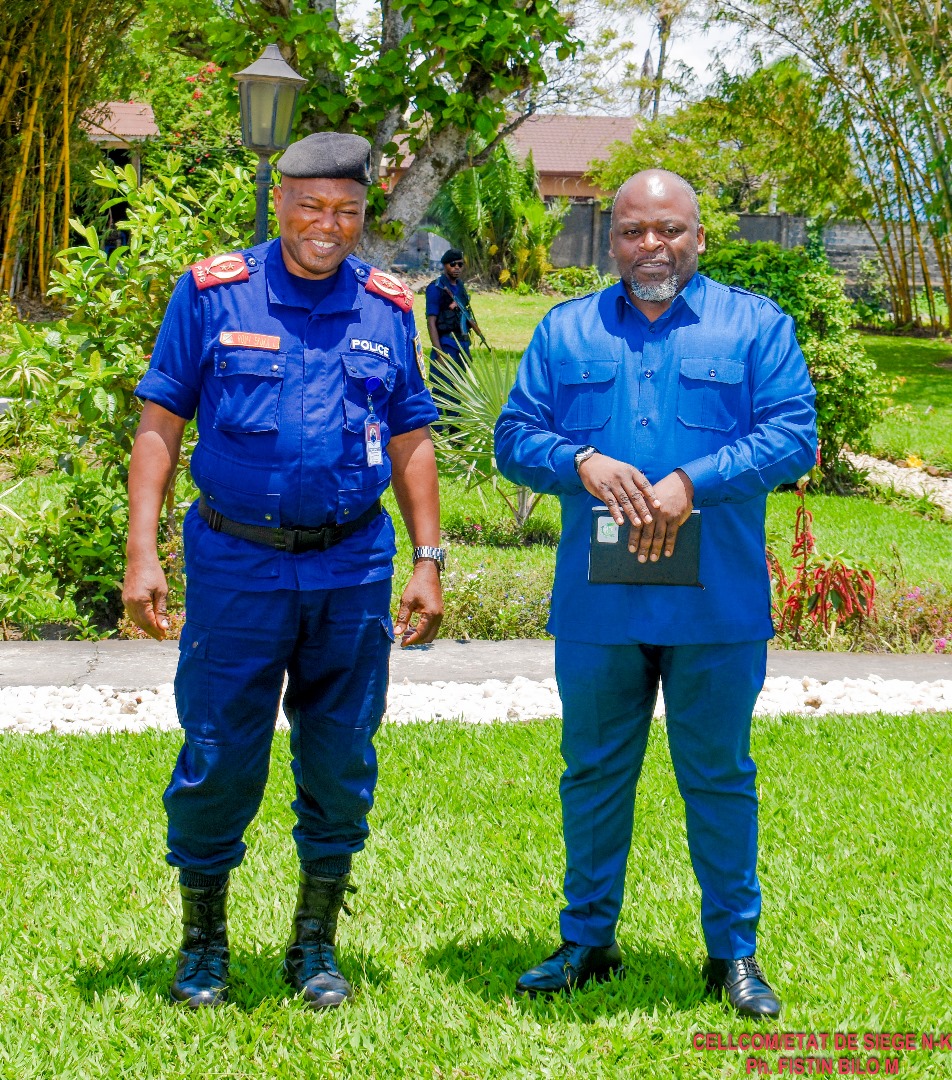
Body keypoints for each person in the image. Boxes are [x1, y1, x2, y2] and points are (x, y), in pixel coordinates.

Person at [122, 131, 446, 1011]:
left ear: (362, 214)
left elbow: (412, 436)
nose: (326, 226)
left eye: (345, 211)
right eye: (310, 207)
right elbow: (160, 425)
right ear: (279, 203)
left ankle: (314, 946)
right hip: (235, 564)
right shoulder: (213, 293)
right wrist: (143, 552)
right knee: (221, 752)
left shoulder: (387, 308)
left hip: (352, 565)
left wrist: (428, 558)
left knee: (341, 755)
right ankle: (204, 948)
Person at [494, 169, 817, 1018]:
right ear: (612, 240)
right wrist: (579, 462)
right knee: (594, 771)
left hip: (716, 600)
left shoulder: (756, 326)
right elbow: (514, 436)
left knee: (719, 774)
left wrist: (692, 482)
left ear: (700, 236)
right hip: (601, 604)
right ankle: (586, 939)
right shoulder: (566, 332)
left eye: (670, 230)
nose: (653, 246)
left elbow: (793, 436)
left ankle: (733, 955)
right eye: (635, 231)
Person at [425, 248, 484, 371]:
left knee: (462, 388)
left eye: (460, 264)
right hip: (447, 344)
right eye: (452, 264)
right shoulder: (436, 288)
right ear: (445, 265)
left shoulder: (460, 286)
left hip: (463, 344)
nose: (457, 267)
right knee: (444, 388)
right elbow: (431, 322)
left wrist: (466, 351)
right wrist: (439, 354)